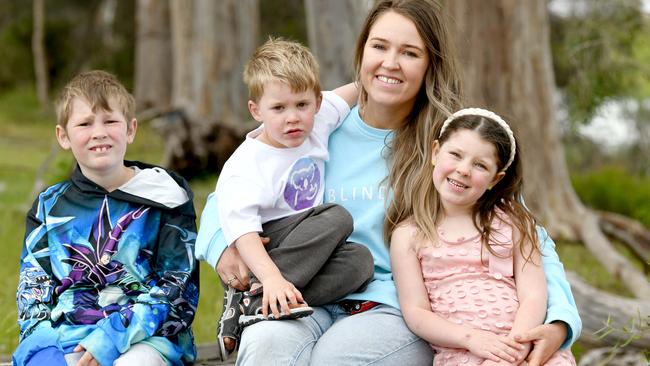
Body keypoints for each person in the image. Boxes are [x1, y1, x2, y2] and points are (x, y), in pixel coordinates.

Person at [196, 0, 582, 365]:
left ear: (431, 63)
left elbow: (529, 237)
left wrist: (560, 322)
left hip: (397, 307)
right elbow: (234, 187)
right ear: (362, 51)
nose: (390, 63)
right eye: (380, 46)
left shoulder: (450, 147)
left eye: (410, 53)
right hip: (307, 292)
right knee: (267, 346)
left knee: (336, 359)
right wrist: (221, 244)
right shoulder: (315, 124)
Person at [14, 70, 199, 366]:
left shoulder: (165, 197)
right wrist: (46, 342)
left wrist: (111, 338)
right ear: (63, 136)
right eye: (85, 123)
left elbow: (177, 291)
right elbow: (33, 286)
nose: (99, 132)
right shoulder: (49, 206)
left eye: (110, 121)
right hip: (64, 336)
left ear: (130, 129)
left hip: (146, 339)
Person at [208, 38, 374, 361]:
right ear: (256, 110)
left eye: (301, 105)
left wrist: (371, 77)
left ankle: (254, 304)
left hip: (307, 246)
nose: (292, 118)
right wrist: (270, 275)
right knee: (338, 217)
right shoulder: (246, 165)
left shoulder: (319, 121)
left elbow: (350, 92)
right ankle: (263, 288)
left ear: (317, 102)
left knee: (360, 263)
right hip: (265, 243)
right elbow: (243, 232)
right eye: (278, 108)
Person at [390, 108, 577, 365]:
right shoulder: (408, 235)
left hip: (523, 345)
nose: (464, 170)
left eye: (480, 165)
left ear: (495, 179)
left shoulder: (514, 221)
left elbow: (533, 293)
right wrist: (470, 339)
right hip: (462, 350)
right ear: (435, 152)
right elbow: (416, 312)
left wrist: (515, 349)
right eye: (455, 155)